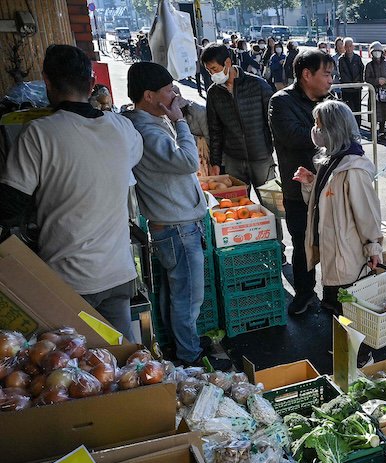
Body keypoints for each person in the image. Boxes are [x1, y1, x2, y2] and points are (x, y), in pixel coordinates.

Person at [0, 45, 143, 339]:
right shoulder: (122, 128)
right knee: (122, 364)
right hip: (119, 273)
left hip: (71, 280)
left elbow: (9, 205)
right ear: (92, 84)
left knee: (76, 370)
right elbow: (121, 166)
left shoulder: (39, 134)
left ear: (47, 83)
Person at [123, 62, 228, 369]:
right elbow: (186, 161)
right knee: (187, 298)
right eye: (168, 90)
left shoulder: (148, 121)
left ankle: (182, 347)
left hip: (173, 225)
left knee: (176, 293)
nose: (174, 94)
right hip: (177, 228)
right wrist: (180, 120)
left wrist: (176, 113)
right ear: (149, 95)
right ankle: (189, 356)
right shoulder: (146, 129)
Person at [293, 100, 382, 317]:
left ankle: (354, 349)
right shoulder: (331, 161)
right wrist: (310, 182)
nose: (315, 130)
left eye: (319, 125)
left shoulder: (353, 169)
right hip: (334, 248)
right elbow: (323, 201)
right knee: (335, 303)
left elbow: (368, 215)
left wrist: (374, 248)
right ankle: (339, 346)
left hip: (346, 252)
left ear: (333, 129)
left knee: (347, 308)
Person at [268, 49, 335, 316]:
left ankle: (332, 296)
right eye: (327, 74)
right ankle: (305, 294)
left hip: (330, 188)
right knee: (302, 243)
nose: (331, 80)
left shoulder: (330, 99)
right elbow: (293, 136)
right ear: (307, 75)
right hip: (297, 189)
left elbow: (345, 134)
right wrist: (331, 131)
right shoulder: (281, 101)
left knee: (332, 242)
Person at [201, 44, 276, 191]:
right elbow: (215, 130)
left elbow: (273, 122)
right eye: (208, 71)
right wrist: (216, 162)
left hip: (261, 158)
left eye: (214, 69)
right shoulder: (213, 93)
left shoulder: (258, 85)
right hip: (233, 160)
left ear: (228, 63)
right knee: (238, 205)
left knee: (271, 204)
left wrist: (271, 148)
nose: (212, 74)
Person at [364, 41, 386, 141]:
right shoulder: (369, 65)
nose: (377, 53)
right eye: (375, 51)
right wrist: (377, 81)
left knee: (384, 113)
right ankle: (373, 132)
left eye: (379, 51)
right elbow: (366, 79)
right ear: (371, 53)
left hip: (384, 93)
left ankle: (382, 132)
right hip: (374, 93)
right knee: (374, 113)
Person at [338, 37, 364, 127]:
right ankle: (348, 128)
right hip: (346, 89)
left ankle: (358, 127)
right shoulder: (341, 59)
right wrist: (350, 84)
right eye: (346, 46)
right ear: (344, 47)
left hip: (357, 88)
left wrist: (358, 82)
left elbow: (361, 71)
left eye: (350, 46)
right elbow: (342, 73)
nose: (348, 48)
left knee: (357, 109)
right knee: (347, 109)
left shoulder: (357, 58)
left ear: (353, 47)